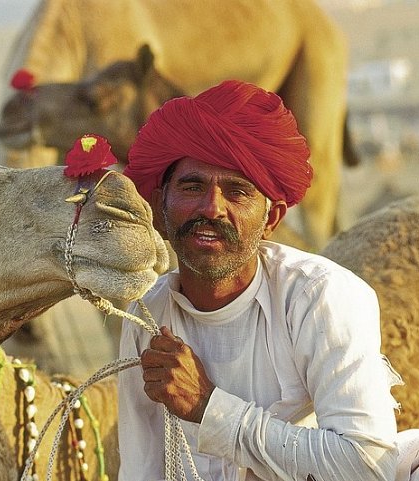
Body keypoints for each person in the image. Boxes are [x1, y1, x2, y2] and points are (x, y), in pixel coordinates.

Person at [118, 79, 400, 481]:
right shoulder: (147, 314)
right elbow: (142, 466)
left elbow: (368, 466)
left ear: (271, 219)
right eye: (192, 186)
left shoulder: (320, 297)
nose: (212, 208)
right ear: (160, 210)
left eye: (237, 192)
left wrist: (209, 407)